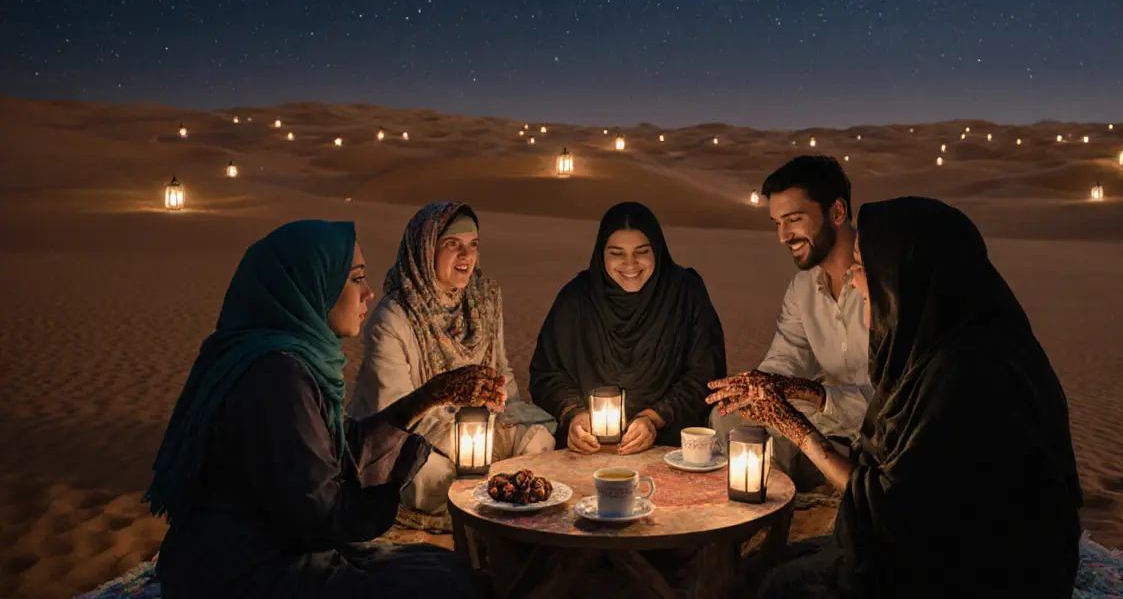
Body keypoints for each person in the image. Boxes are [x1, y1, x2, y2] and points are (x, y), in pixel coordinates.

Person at [712, 197, 1083, 598]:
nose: (853, 280)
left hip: (982, 568)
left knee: (777, 587)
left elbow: (891, 514)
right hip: (938, 544)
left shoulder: (967, 374)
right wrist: (792, 390)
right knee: (771, 567)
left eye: (862, 266)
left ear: (909, 275)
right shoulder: (938, 349)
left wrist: (795, 428)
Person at [147, 220, 503, 599]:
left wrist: (431, 395)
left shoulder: (289, 360)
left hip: (273, 548)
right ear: (311, 285)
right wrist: (384, 495)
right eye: (355, 279)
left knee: (443, 567)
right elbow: (317, 513)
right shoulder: (275, 377)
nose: (368, 293)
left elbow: (335, 447)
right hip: (247, 568)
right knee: (448, 584)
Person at [348, 202, 555, 514]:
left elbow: (501, 369)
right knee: (434, 478)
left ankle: (496, 494)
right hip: (414, 433)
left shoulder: (484, 299)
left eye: (473, 245)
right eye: (452, 245)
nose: (466, 256)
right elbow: (396, 408)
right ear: (425, 249)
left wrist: (507, 411)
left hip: (479, 428)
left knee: (539, 437)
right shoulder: (394, 317)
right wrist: (470, 449)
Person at [710, 155, 873, 489]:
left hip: (874, 433)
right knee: (727, 418)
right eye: (777, 223)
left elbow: (898, 400)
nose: (783, 236)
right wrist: (757, 388)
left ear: (837, 212)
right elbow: (787, 358)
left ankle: (764, 520)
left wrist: (812, 395)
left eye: (794, 220)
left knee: (770, 452)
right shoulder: (803, 288)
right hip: (825, 422)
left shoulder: (882, 281)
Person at [529, 201, 727, 454]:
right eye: (616, 253)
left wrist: (654, 417)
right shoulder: (576, 298)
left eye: (641, 251)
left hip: (671, 444)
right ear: (601, 254)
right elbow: (546, 374)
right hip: (590, 446)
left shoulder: (685, 293)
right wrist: (575, 415)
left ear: (657, 250)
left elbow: (705, 374)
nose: (630, 263)